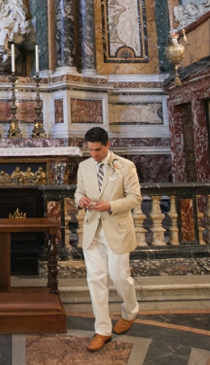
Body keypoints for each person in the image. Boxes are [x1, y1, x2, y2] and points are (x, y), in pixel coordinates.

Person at [74, 127, 142, 352]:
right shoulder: (84, 166)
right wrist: (81, 200)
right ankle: (102, 329)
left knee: (120, 277)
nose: (93, 154)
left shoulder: (126, 167)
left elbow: (134, 198)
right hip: (93, 230)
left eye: (97, 150)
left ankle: (130, 312)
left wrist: (110, 205)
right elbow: (78, 191)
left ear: (108, 145)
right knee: (96, 280)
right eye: (90, 150)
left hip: (118, 230)